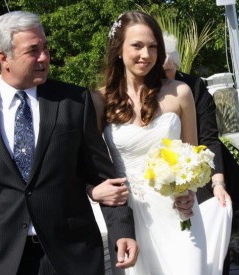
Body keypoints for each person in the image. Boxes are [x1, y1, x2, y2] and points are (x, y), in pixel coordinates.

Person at [0, 11, 138, 275]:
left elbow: (102, 177)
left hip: (72, 254)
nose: (44, 57)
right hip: (2, 259)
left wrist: (121, 231)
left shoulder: (74, 102)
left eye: (45, 48)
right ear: (4, 57)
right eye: (33, 50)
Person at [90, 11, 208, 275]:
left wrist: (189, 192)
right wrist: (93, 191)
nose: (146, 54)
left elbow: (194, 155)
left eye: (153, 46)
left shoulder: (180, 93)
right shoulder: (99, 101)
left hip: (180, 214)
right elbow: (90, 164)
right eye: (137, 46)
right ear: (118, 50)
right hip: (132, 219)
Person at [162, 32, 231, 206]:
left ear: (176, 65)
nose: (163, 77)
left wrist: (218, 184)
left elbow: (208, 137)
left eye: (168, 70)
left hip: (198, 163)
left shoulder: (194, 86)